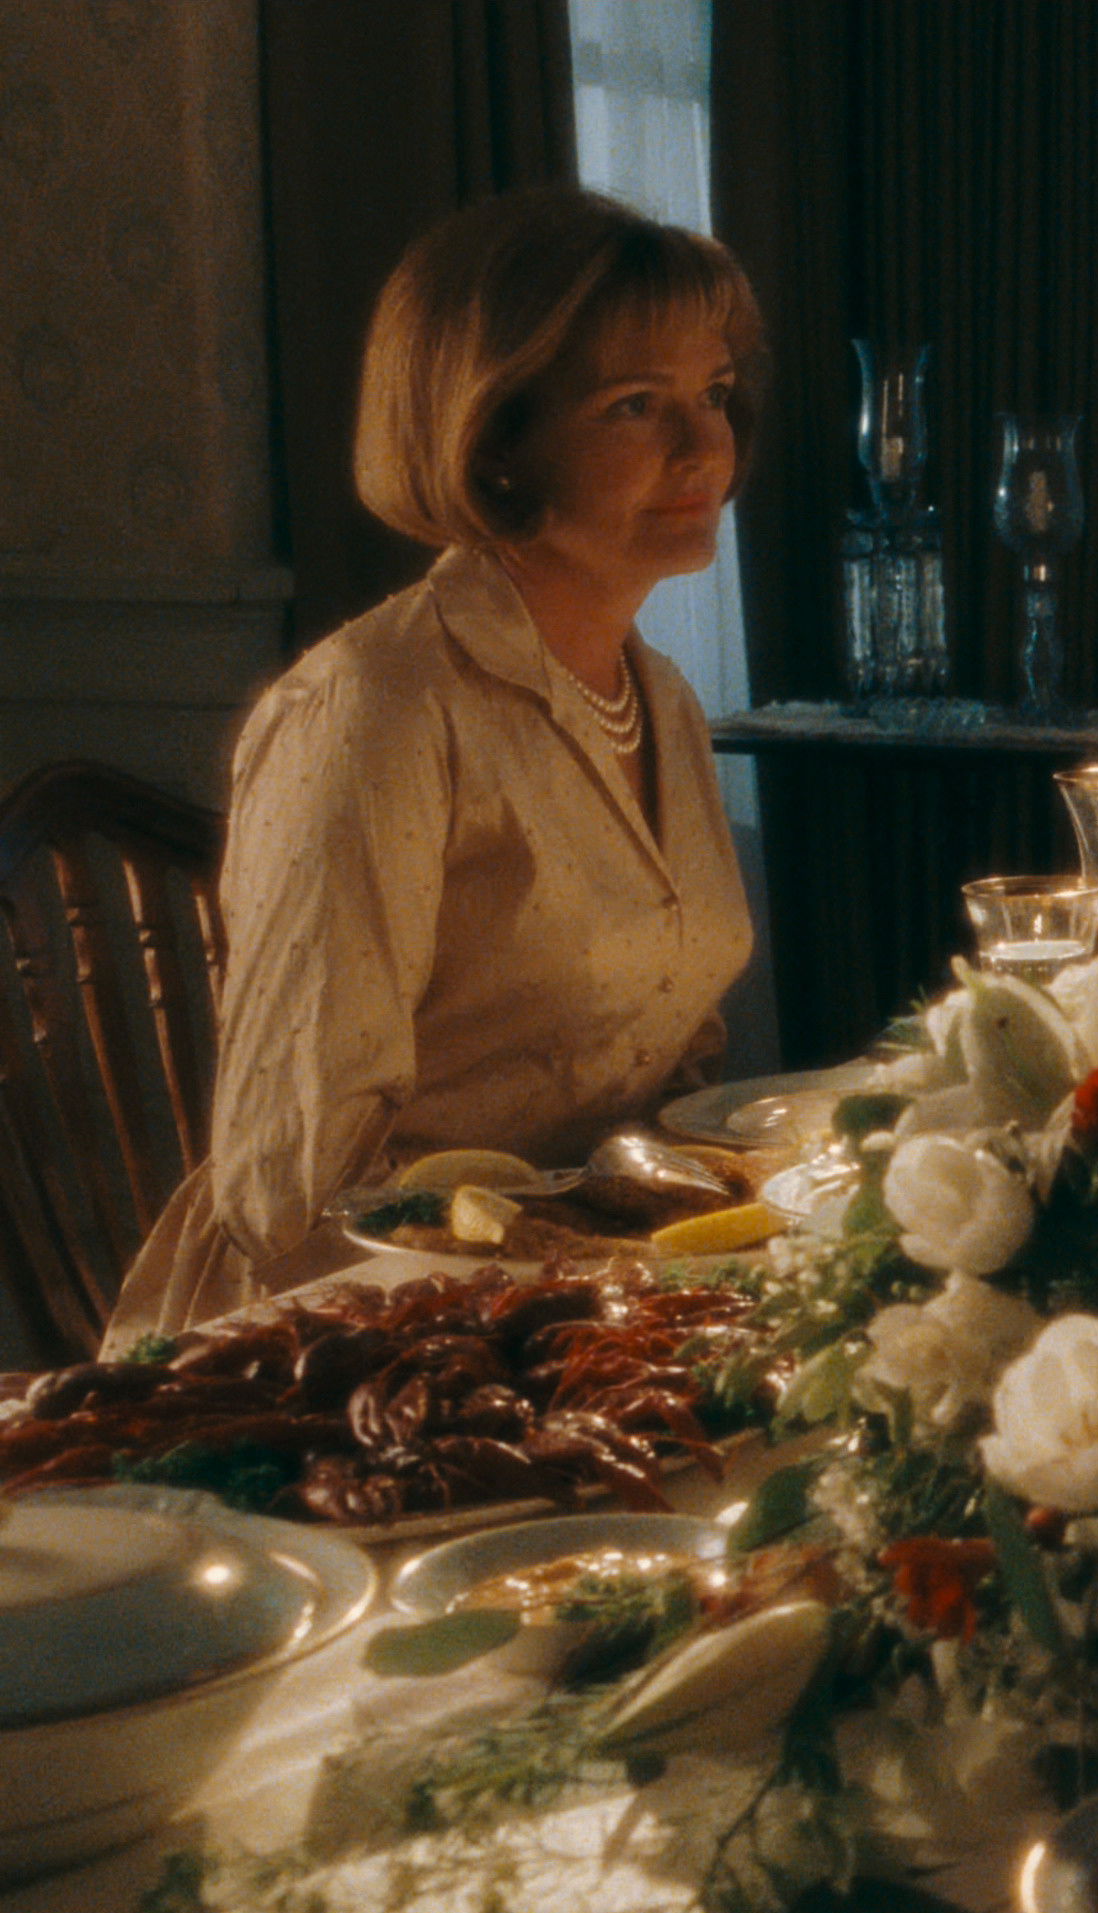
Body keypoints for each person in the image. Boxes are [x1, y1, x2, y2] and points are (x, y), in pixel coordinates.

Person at [110, 188, 760, 1339]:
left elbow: (673, 1082)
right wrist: (561, 1299)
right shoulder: (377, 709)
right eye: (634, 406)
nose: (706, 444)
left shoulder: (658, 695)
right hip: (345, 1334)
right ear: (495, 442)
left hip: (589, 1307)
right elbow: (292, 1193)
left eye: (712, 394)